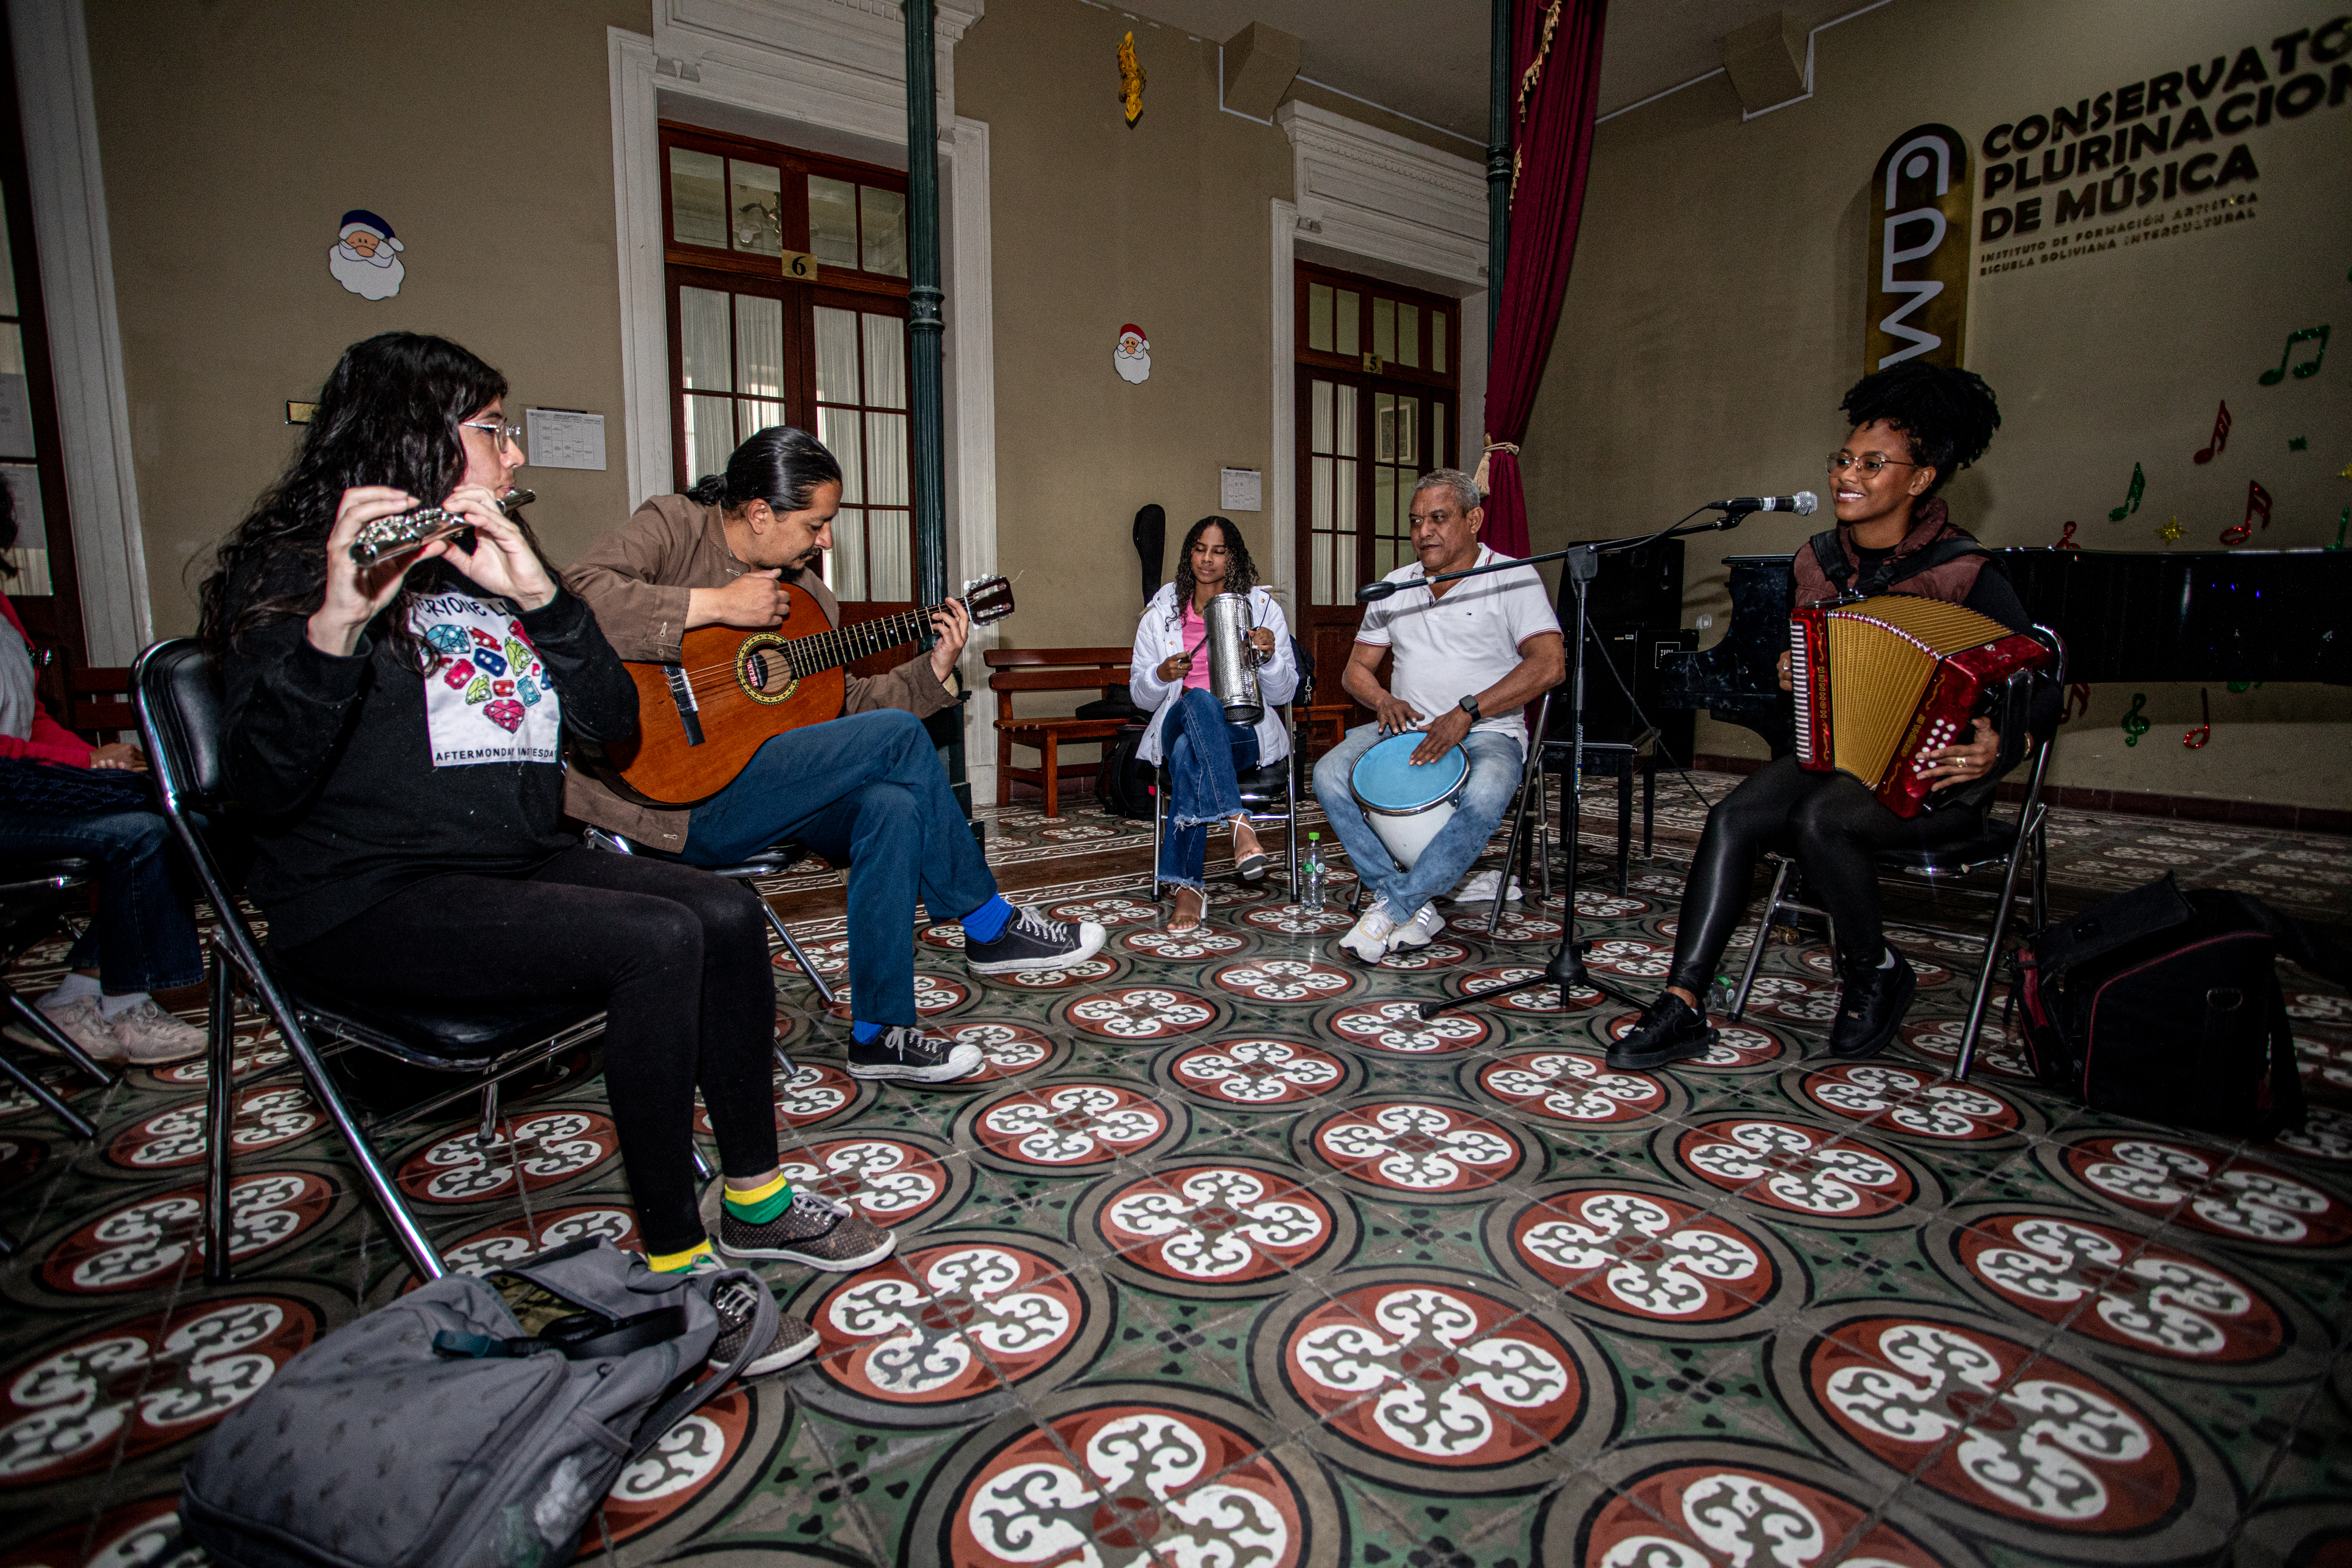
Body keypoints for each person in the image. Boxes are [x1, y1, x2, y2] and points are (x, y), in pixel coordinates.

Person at [201, 332, 848, 1379]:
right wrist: (334, 627)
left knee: (724, 914)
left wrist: (542, 599)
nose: (514, 459)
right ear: (413, 438)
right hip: (366, 896)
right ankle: (672, 1263)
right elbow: (261, 791)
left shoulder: (491, 566)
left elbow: (608, 724)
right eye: (492, 432)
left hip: (512, 862)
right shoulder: (296, 569)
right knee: (653, 941)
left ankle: (758, 1200)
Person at [561, 427, 1104, 1084]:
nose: (825, 540)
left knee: (891, 807)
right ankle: (988, 924)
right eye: (816, 524)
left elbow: (840, 709)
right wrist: (717, 607)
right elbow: (577, 596)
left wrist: (931, 670)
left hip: (766, 792)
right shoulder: (675, 526)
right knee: (900, 741)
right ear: (760, 513)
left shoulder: (810, 602)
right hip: (670, 798)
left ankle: (880, 1033)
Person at [1611, 360, 2056, 1071]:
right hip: (1838, 763)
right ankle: (1684, 1001)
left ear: (1920, 479)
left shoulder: (1965, 573)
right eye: (1843, 459)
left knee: (1821, 821)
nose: (1847, 475)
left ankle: (1874, 970)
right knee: (1733, 817)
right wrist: (1799, 675)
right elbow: (1814, 684)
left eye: (1872, 464)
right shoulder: (1817, 563)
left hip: (1934, 782)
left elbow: (2042, 680)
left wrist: (1998, 746)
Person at [1312, 470, 1565, 964]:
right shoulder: (1394, 586)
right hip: (1406, 729)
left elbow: (1550, 664)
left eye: (1438, 518)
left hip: (1489, 731)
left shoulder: (1511, 575)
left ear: (1474, 520)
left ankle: (1393, 908)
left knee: (1489, 789)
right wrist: (1383, 699)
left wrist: (1468, 711)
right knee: (1328, 773)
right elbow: (1355, 672)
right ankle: (1411, 900)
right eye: (1415, 521)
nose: (1424, 531)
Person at [0, 485, 205, 1065]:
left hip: (21, 785)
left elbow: (32, 717)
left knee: (169, 815)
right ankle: (123, 998)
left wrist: (95, 754)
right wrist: (83, 763)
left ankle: (85, 994)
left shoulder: (3, 608)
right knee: (160, 814)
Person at [1125, 516, 1298, 931]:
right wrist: (1161, 676)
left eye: (1219, 550)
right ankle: (1238, 822)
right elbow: (1139, 696)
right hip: (1176, 721)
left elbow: (1285, 693)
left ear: (1232, 557)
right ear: (1190, 553)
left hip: (1244, 731)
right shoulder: (1161, 614)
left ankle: (1188, 887)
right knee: (1199, 701)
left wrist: (1271, 657)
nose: (1208, 558)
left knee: (1190, 755)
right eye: (1200, 548)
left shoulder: (1262, 610)